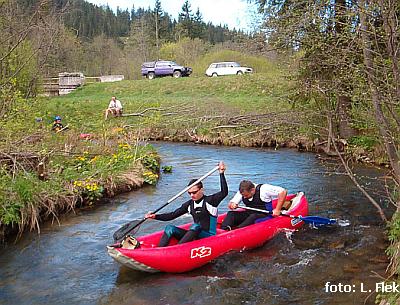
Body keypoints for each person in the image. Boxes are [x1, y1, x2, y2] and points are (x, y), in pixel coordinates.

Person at [145, 161, 228, 247]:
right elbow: (172, 215)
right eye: (189, 193)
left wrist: (221, 173)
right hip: (195, 235)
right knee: (170, 228)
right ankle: (159, 250)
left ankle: (177, 249)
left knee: (196, 226)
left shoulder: (211, 201)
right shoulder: (189, 204)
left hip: (209, 236)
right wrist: (155, 216)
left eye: (194, 192)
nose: (192, 195)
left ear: (201, 190)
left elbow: (224, 192)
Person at [220, 180, 287, 230]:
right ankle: (224, 230)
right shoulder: (243, 191)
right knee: (231, 214)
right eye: (243, 195)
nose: (245, 197)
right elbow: (230, 204)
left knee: (253, 217)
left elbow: (283, 192)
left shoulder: (264, 189)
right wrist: (232, 204)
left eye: (246, 195)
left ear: (252, 190)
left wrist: (277, 209)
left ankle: (237, 231)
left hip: (265, 215)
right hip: (249, 214)